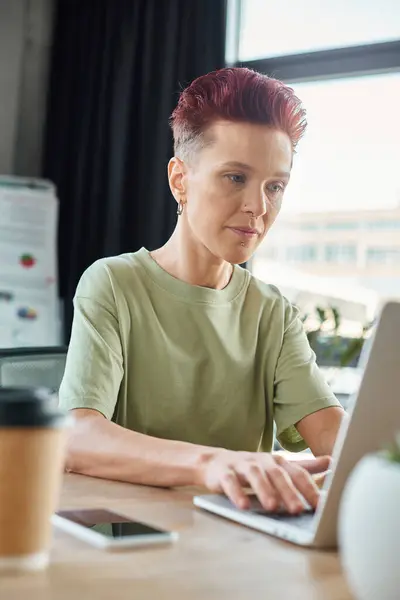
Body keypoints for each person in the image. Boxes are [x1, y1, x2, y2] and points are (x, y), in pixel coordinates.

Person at [59, 67, 347, 515]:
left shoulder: (272, 313)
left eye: (275, 186)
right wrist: (211, 463)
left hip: (242, 554)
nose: (258, 207)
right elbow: (77, 437)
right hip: (140, 551)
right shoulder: (113, 284)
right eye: (236, 178)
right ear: (180, 180)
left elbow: (337, 438)